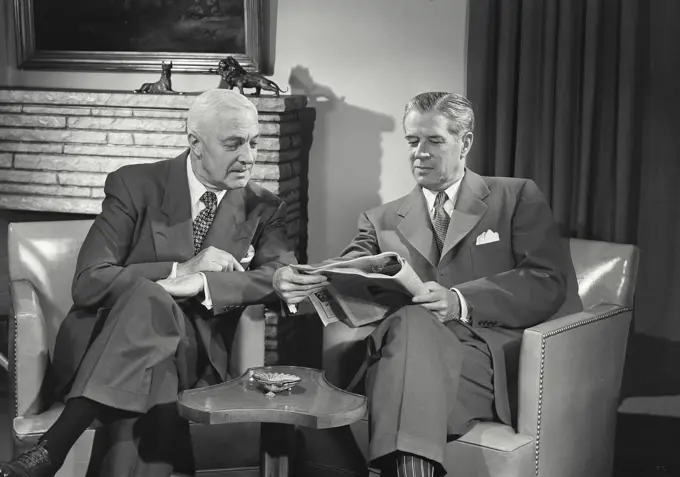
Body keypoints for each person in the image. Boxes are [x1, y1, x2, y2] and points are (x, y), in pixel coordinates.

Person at [273, 92, 582, 477]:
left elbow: (546, 280)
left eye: (434, 140)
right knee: (412, 326)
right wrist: (296, 284)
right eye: (412, 141)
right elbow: (344, 274)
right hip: (404, 353)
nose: (420, 152)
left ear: (464, 143)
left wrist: (459, 300)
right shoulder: (380, 220)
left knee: (403, 361)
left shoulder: (515, 197)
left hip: (481, 359)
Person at [0, 89, 296, 477]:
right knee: (151, 325)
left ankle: (51, 448)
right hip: (103, 350)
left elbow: (282, 281)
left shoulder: (264, 207)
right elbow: (89, 282)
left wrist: (203, 283)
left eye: (255, 142)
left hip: (195, 353)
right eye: (233, 144)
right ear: (195, 143)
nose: (249, 157)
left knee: (150, 305)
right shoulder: (134, 185)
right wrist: (177, 273)